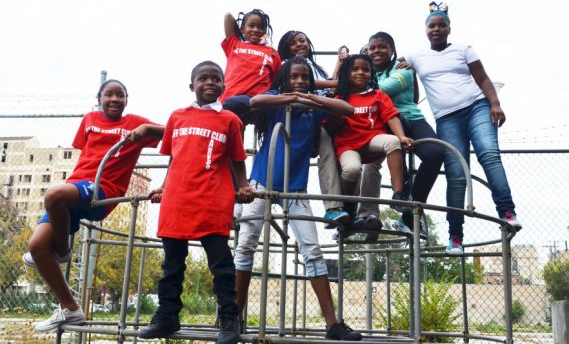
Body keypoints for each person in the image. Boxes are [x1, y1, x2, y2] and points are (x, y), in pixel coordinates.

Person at [234, 56, 362, 341]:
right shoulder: (277, 99)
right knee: (245, 246)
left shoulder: (312, 107)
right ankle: (234, 318)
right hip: (261, 183)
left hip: (296, 189)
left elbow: (349, 109)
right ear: (285, 79)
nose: (300, 81)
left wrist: (313, 100)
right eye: (295, 76)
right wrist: (290, 97)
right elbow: (255, 102)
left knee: (312, 250)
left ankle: (332, 325)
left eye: (305, 77)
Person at [23, 79, 164, 332]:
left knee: (54, 194)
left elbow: (175, 133)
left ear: (126, 100)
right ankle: (70, 308)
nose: (114, 99)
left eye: (120, 95)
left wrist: (146, 129)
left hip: (102, 188)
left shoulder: (134, 123)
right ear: (99, 98)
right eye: (108, 95)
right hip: (76, 188)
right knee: (36, 248)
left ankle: (63, 250)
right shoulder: (89, 119)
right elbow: (85, 153)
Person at [139, 61, 254, 343]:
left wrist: (243, 185)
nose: (209, 83)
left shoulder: (229, 120)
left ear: (223, 86)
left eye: (216, 78)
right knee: (172, 265)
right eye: (203, 78)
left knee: (222, 265)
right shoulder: (177, 117)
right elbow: (173, 158)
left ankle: (229, 320)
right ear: (192, 85)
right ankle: (167, 316)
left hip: (212, 199)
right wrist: (164, 187)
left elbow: (236, 158)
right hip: (177, 199)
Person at [403, 1, 521, 254]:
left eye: (441, 25)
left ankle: (507, 210)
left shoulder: (463, 49)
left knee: (489, 154)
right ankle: (455, 236)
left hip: (476, 107)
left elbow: (482, 78)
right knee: (456, 173)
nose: (436, 29)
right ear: (426, 30)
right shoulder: (415, 56)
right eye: (431, 26)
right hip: (447, 118)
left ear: (448, 28)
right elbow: (388, 63)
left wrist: (495, 104)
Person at [365, 31, 444, 235]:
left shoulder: (404, 70)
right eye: (372, 48)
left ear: (392, 50)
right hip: (384, 123)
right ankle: (395, 196)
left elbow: (383, 90)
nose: (376, 51)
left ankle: (411, 211)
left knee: (435, 153)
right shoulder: (366, 72)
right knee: (371, 161)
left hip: (410, 118)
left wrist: (361, 83)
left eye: (382, 47)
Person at [277, 31, 352, 230]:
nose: (299, 44)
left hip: (318, 115)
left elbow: (329, 86)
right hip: (298, 114)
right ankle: (282, 191)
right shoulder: (287, 64)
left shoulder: (315, 66)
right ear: (286, 49)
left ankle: (334, 206)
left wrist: (340, 63)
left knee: (328, 152)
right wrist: (334, 83)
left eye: (302, 40)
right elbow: (317, 83)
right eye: (293, 43)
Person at [333, 54, 413, 236]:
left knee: (392, 142)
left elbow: (391, 116)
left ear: (371, 74)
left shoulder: (377, 95)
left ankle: (398, 194)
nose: (360, 72)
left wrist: (401, 136)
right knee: (352, 169)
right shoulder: (340, 96)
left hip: (371, 139)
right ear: (347, 73)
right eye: (355, 69)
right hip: (348, 144)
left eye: (365, 69)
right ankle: (348, 208)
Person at [221, 8, 282, 123]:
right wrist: (239, 33)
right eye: (251, 26)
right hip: (228, 98)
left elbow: (276, 81)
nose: (256, 29)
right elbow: (228, 16)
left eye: (260, 27)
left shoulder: (273, 53)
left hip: (255, 101)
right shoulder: (235, 44)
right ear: (242, 28)